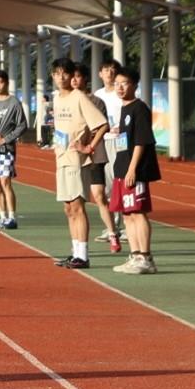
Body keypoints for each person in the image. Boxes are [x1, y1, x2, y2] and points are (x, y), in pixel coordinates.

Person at [50, 58, 108, 269]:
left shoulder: (79, 97)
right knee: (68, 208)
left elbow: (102, 124)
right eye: (57, 73)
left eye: (65, 73)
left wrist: (89, 147)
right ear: (53, 76)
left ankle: (83, 256)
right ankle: (75, 252)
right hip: (61, 158)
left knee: (77, 205)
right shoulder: (57, 99)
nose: (61, 77)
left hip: (77, 160)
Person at [110, 67, 162, 275]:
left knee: (138, 213)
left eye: (124, 83)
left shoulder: (139, 108)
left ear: (134, 85)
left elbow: (142, 141)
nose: (120, 88)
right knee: (127, 215)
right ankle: (135, 255)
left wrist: (132, 170)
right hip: (122, 168)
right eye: (116, 84)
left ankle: (146, 258)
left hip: (135, 171)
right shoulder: (124, 109)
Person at [73, 63, 120, 253]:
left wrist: (89, 146)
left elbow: (102, 126)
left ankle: (113, 234)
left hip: (95, 153)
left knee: (99, 195)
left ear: (85, 79)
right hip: (73, 155)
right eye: (71, 76)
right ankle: (78, 244)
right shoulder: (64, 100)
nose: (74, 80)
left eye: (78, 76)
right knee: (75, 201)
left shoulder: (96, 101)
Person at [0, 70, 28, 230]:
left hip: (6, 150)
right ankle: (2, 217)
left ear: (7, 83)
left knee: (5, 181)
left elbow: (22, 125)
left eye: (0, 83)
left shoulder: (14, 103)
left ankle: (12, 217)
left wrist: (6, 139)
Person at [93, 59, 124, 243]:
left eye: (113, 70)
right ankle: (112, 226)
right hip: (102, 142)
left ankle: (123, 226)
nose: (109, 73)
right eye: (106, 70)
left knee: (119, 183)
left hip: (120, 142)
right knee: (105, 187)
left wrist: (122, 128)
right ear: (100, 74)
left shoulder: (121, 92)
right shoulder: (97, 95)